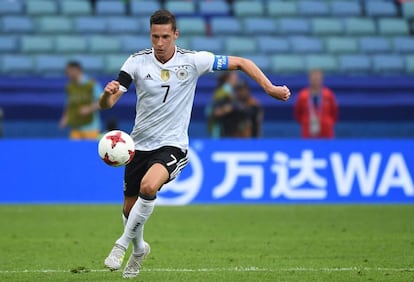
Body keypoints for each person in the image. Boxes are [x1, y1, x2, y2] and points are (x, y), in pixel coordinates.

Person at [99, 10, 290, 279]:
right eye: (155, 36)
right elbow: (109, 103)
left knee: (149, 186)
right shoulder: (136, 63)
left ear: (175, 35)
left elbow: (242, 62)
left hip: (173, 145)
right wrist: (106, 96)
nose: (160, 42)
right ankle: (139, 249)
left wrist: (269, 88)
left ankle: (120, 245)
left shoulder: (193, 61)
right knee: (129, 209)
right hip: (138, 145)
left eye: (165, 36)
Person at [59, 61, 102, 140]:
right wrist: (65, 117)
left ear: (76, 70)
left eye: (69, 72)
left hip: (91, 128)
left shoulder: (92, 84)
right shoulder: (70, 87)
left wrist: (89, 108)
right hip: (75, 128)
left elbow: (102, 102)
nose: (67, 74)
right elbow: (69, 104)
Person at [294, 69, 338, 138]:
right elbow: (297, 113)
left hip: (326, 132)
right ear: (310, 79)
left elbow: (334, 112)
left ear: (321, 79)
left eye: (317, 79)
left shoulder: (328, 94)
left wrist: (327, 122)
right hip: (308, 131)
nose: (315, 81)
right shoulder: (303, 95)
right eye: (313, 79)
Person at [207, 71, 239, 137]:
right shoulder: (225, 91)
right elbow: (212, 110)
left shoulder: (228, 90)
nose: (237, 80)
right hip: (218, 125)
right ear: (228, 79)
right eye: (235, 78)